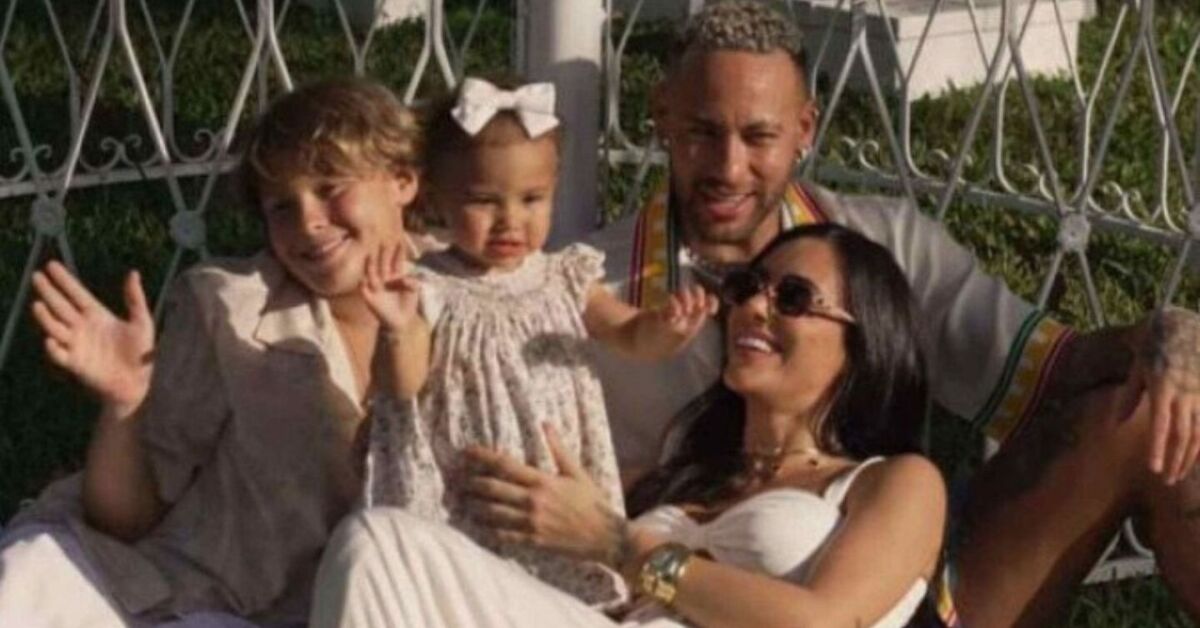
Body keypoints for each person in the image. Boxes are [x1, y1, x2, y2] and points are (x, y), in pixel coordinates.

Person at [585, 2, 1200, 625]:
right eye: (702, 131)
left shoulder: (887, 247)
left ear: (805, 128)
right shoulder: (587, 291)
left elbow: (1053, 370)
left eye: (759, 136)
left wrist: (1170, 336)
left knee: (1157, 412)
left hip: (897, 582)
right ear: (661, 115)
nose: (728, 167)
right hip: (677, 595)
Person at [311, 223, 947, 628]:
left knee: (380, 545)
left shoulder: (894, 482)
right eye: (748, 286)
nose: (754, 306)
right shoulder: (674, 475)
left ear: (866, 342)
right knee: (381, 546)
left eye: (793, 297)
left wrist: (621, 546)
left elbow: (823, 624)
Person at [0, 78, 430, 627]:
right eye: (281, 206)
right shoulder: (231, 310)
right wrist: (126, 403)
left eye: (330, 186)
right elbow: (128, 518)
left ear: (402, 180)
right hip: (192, 598)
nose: (308, 221)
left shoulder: (470, 306)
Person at [359, 76, 715, 606]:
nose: (510, 221)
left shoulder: (564, 277)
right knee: (464, 596)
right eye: (484, 200)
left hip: (556, 485)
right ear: (435, 196)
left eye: (532, 199)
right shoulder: (428, 286)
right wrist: (395, 327)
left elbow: (627, 335)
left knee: (557, 596)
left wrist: (665, 330)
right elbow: (403, 383)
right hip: (468, 491)